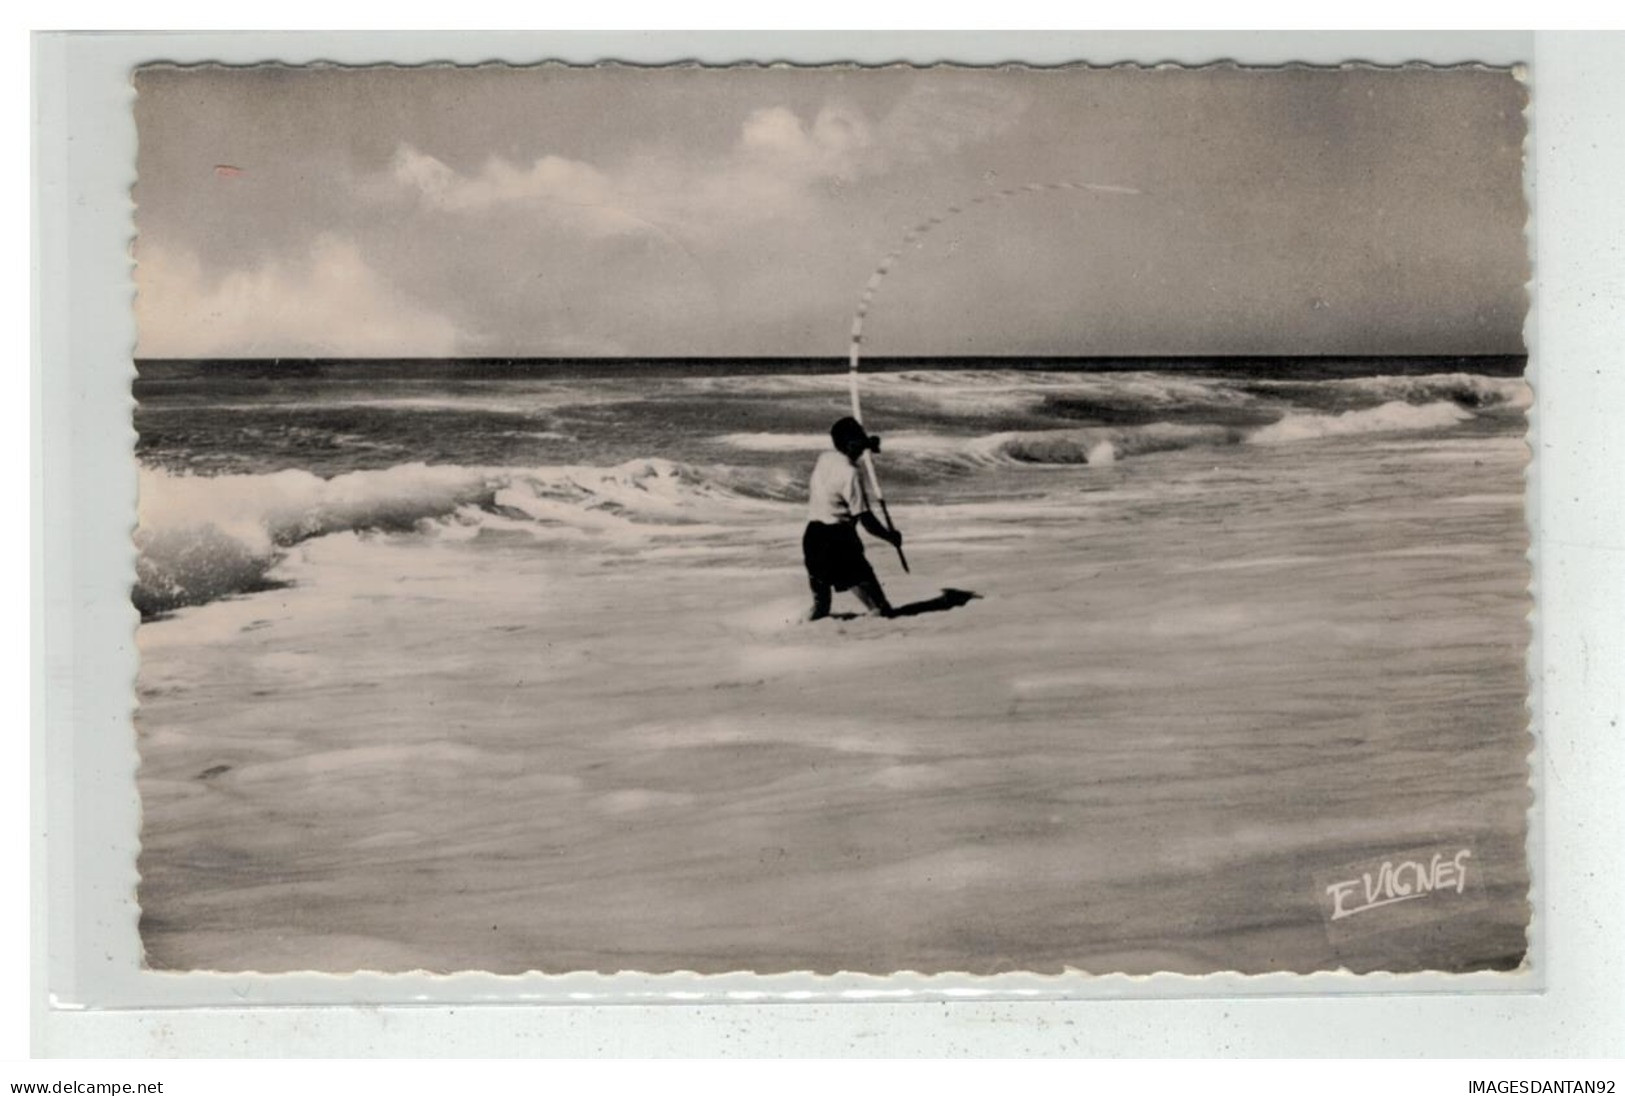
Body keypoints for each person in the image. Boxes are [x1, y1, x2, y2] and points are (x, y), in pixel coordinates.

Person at [802, 416, 903, 621]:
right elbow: (866, 520)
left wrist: (868, 444)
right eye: (859, 441)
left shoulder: (825, 458)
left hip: (812, 539)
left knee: (821, 609)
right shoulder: (851, 473)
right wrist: (890, 537)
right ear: (851, 444)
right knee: (881, 610)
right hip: (838, 542)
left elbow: (850, 446)